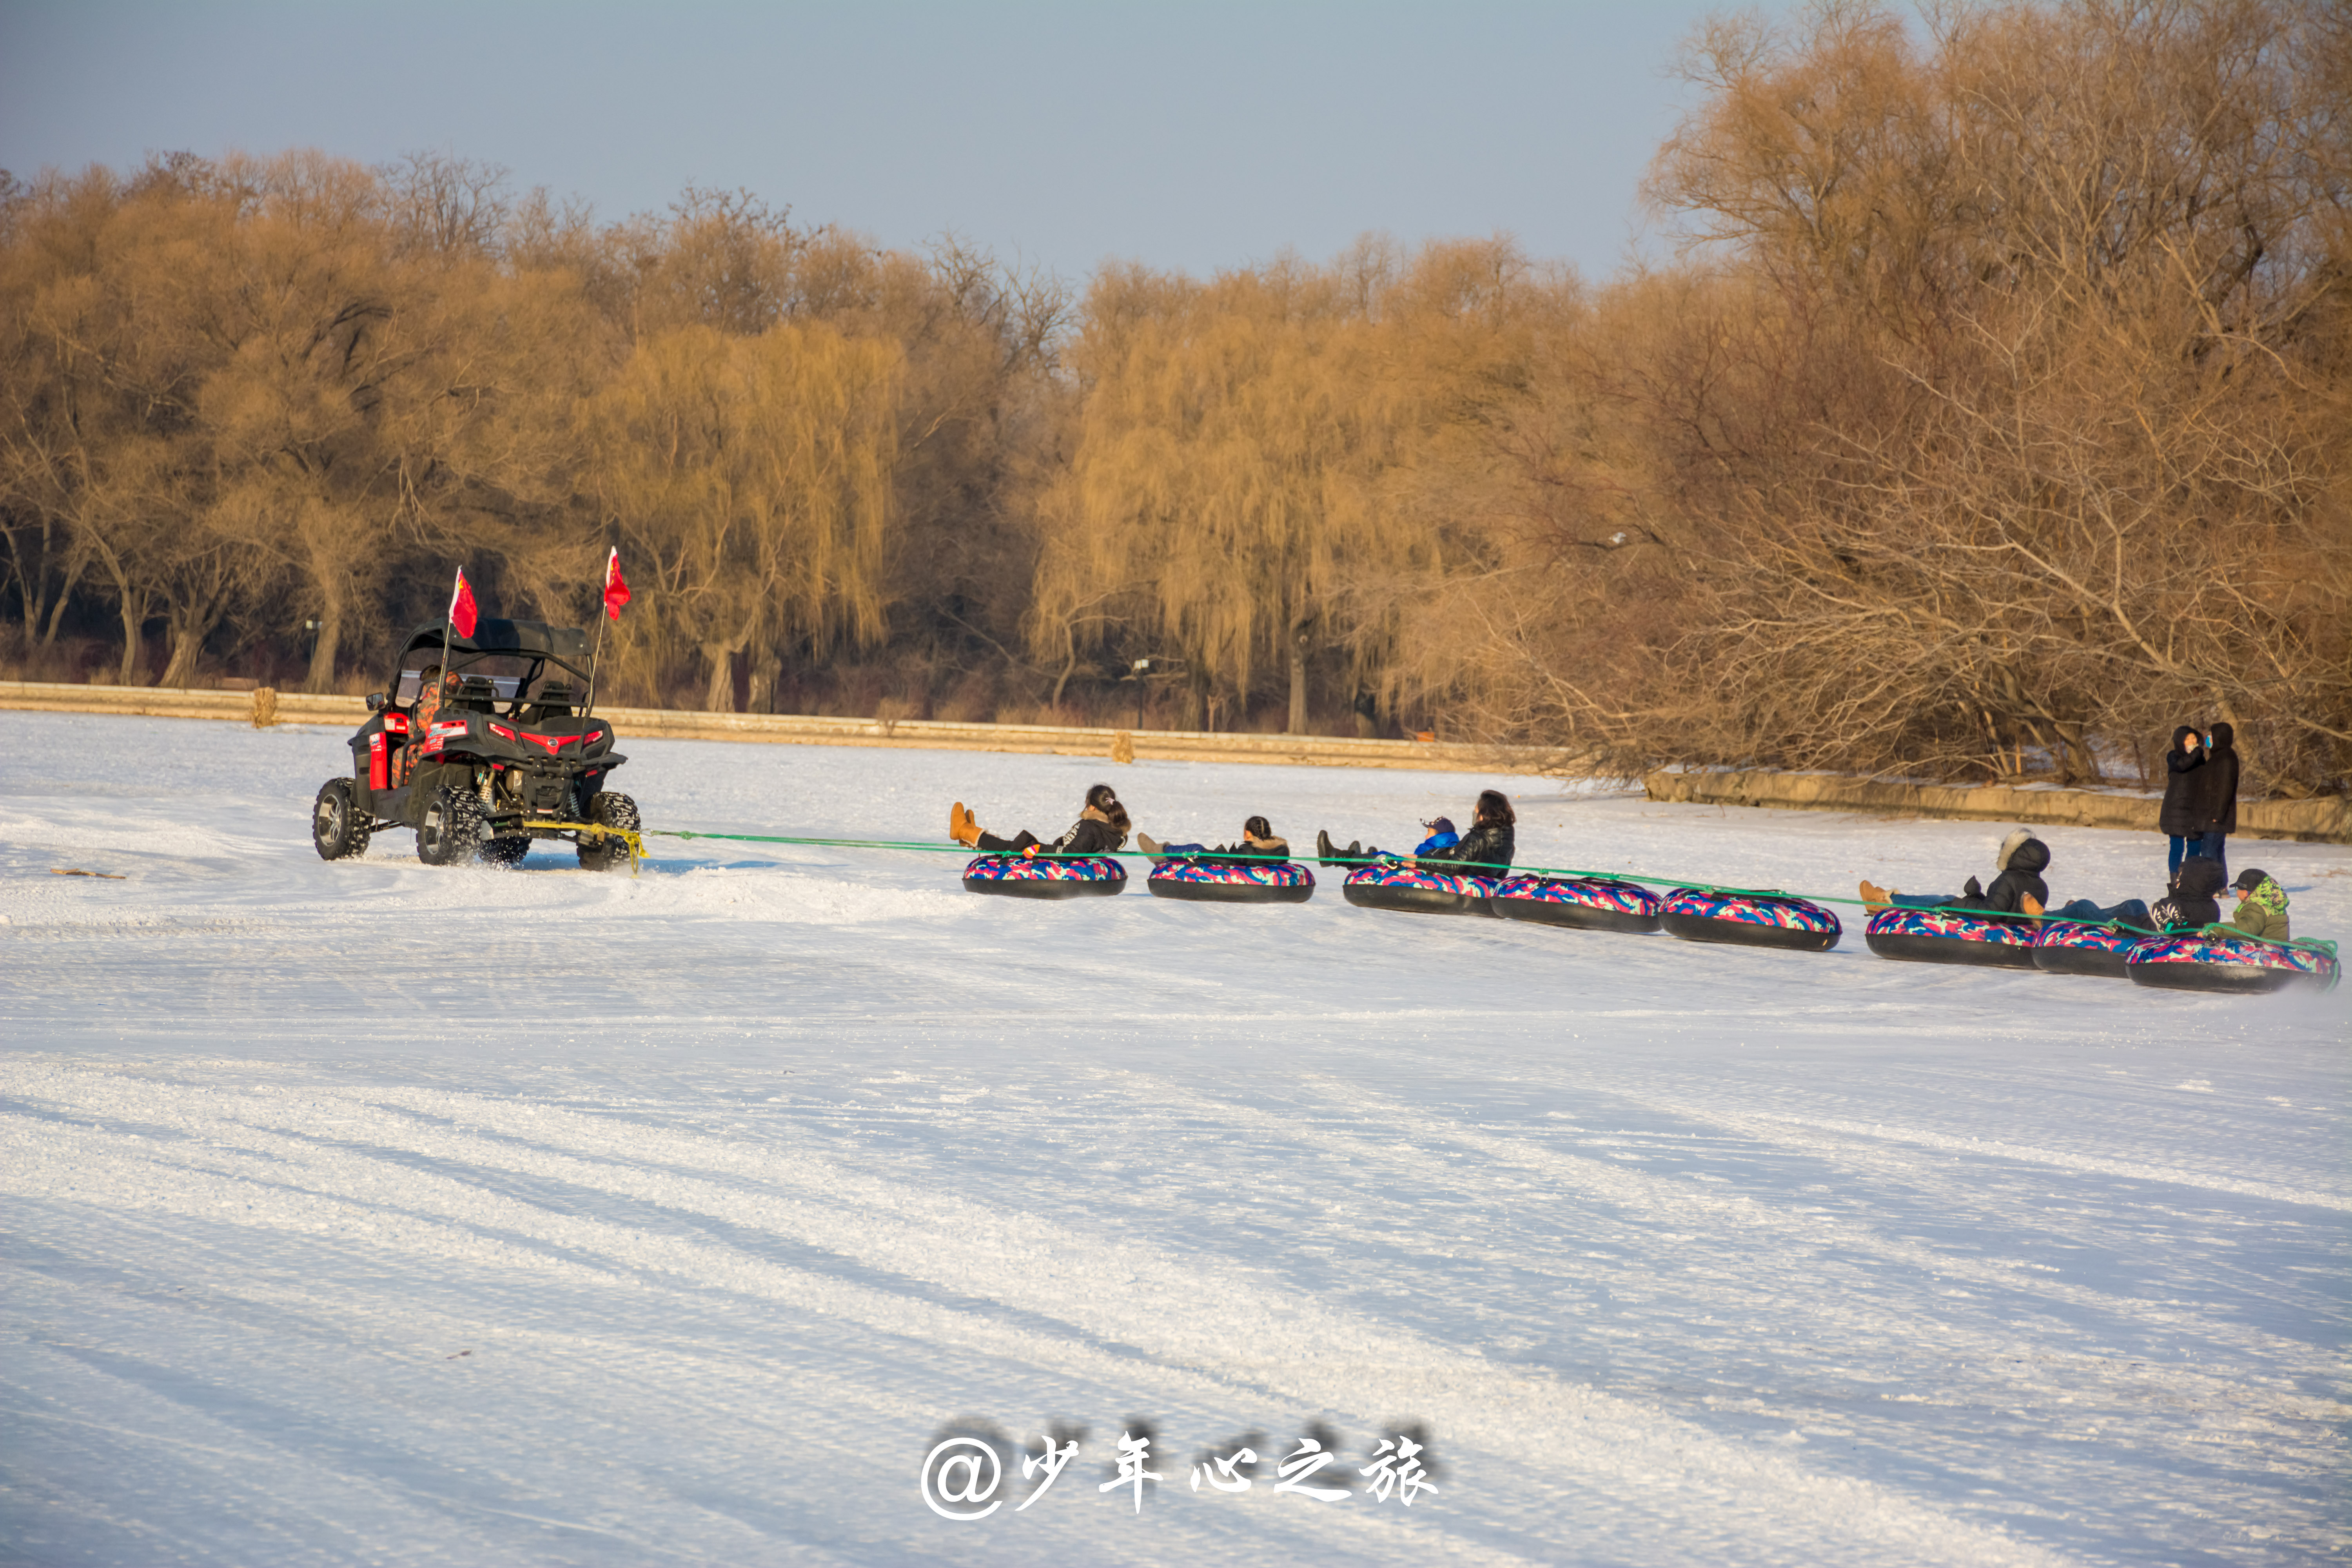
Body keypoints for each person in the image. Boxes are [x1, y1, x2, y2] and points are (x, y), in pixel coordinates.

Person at [1318, 789, 1516, 875]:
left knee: (1388, 859)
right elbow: (1498, 872)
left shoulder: (1479, 838)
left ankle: (1334, 856)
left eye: (1476, 813)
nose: (1474, 816)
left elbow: (1453, 867)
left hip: (1443, 877)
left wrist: (1418, 862)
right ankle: (1355, 857)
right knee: (1393, 857)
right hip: (1462, 876)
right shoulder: (1506, 841)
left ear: (1485, 815)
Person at [1860, 830, 2049, 917]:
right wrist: (1977, 897)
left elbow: (1993, 913)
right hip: (2010, 926)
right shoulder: (2041, 886)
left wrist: (1962, 904)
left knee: (1941, 902)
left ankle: (1882, 902)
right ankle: (1891, 899)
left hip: (1987, 926)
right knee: (1948, 898)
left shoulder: (2009, 879)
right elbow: (2009, 908)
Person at [950, 783, 1129, 857]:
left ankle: (966, 832)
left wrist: (1039, 849)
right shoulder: (1113, 830)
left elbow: (1071, 854)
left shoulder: (1091, 827)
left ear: (1092, 807)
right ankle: (971, 837)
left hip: (1053, 861)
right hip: (1058, 855)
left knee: (1016, 846)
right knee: (1017, 845)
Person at [2157, 725, 2210, 878]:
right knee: (2177, 847)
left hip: (2195, 809)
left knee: (2195, 846)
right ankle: (2174, 879)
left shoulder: (2201, 760)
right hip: (2176, 809)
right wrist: (2198, 752)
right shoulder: (2174, 756)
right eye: (2188, 739)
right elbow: (2182, 765)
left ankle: (2187, 877)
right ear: (2181, 741)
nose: (2192, 741)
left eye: (2194, 738)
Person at [2190, 721, 2239, 880]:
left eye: (2211, 736)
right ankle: (2221, 884)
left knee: (2210, 851)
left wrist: (2218, 814)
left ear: (2220, 737)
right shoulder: (2217, 757)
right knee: (2215, 850)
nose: (2208, 739)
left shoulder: (2226, 759)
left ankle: (2214, 884)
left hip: (2216, 816)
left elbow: (2225, 788)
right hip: (2211, 815)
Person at [1138, 816, 1290, 865]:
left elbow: (1228, 862)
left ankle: (1158, 852)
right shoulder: (1281, 851)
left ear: (1248, 834)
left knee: (1195, 849)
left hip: (1227, 869)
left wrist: (1201, 854)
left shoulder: (1249, 851)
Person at [2150, 855, 2227, 932]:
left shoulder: (2181, 904)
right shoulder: (2214, 908)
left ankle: (2170, 926)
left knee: (2139, 906)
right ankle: (2178, 925)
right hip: (2198, 923)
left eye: (2182, 876)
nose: (2179, 879)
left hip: (2168, 934)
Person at [2223, 867, 2290, 942]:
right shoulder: (2269, 903)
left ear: (2246, 892)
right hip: (2277, 947)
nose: (2237, 891)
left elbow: (2246, 930)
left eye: (2237, 888)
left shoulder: (2256, 907)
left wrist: (2215, 929)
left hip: (2267, 950)